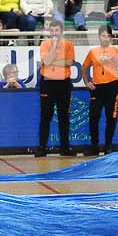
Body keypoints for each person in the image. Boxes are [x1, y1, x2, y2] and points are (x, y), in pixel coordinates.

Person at [35, 18, 76, 157]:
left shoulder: (68, 44)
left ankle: (65, 148)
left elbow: (69, 62)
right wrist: (53, 48)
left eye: (57, 30)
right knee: (45, 116)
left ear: (61, 31)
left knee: (64, 116)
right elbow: (46, 61)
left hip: (63, 83)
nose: (54, 33)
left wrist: (53, 62)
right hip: (48, 83)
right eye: (52, 30)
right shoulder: (45, 44)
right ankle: (42, 147)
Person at [83, 27, 118, 152]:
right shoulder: (93, 52)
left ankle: (108, 146)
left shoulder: (115, 51)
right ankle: (94, 146)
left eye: (108, 36)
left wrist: (112, 59)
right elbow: (84, 68)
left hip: (112, 86)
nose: (105, 39)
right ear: (99, 37)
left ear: (111, 38)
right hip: (97, 87)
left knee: (111, 117)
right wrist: (87, 82)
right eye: (103, 36)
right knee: (93, 117)